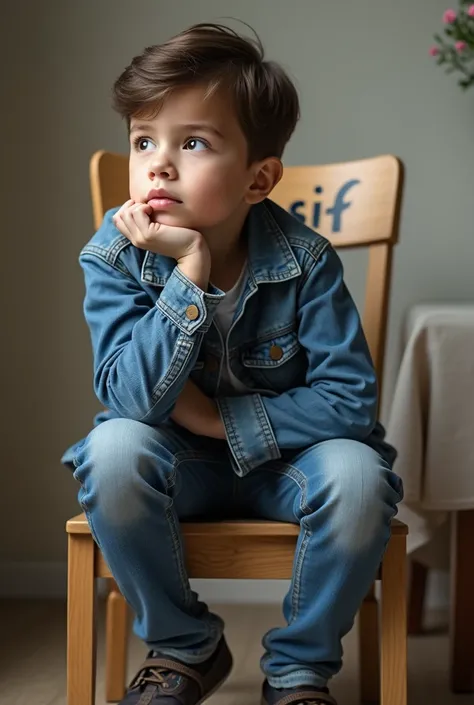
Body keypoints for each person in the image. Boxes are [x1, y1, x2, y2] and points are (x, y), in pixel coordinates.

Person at [63, 22, 403, 705]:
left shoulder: (304, 258)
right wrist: (187, 277)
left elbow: (349, 403)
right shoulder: (114, 254)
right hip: (174, 467)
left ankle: (300, 668)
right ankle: (187, 645)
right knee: (111, 451)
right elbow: (129, 399)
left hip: (290, 467)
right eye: (142, 140)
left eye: (192, 142)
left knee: (361, 473)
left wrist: (218, 419)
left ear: (260, 177)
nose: (158, 163)